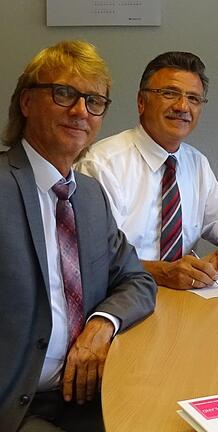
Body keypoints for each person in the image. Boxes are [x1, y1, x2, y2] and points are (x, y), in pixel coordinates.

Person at [0, 40, 157, 432]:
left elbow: (136, 279)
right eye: (64, 93)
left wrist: (101, 324)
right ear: (26, 102)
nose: (79, 111)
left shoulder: (88, 196)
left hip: (90, 391)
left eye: (94, 101)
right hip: (17, 405)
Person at [77, 52, 218, 290]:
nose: (182, 106)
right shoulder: (102, 164)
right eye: (169, 93)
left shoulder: (195, 163)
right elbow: (92, 258)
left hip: (183, 301)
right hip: (118, 297)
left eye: (193, 98)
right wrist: (162, 273)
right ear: (141, 102)